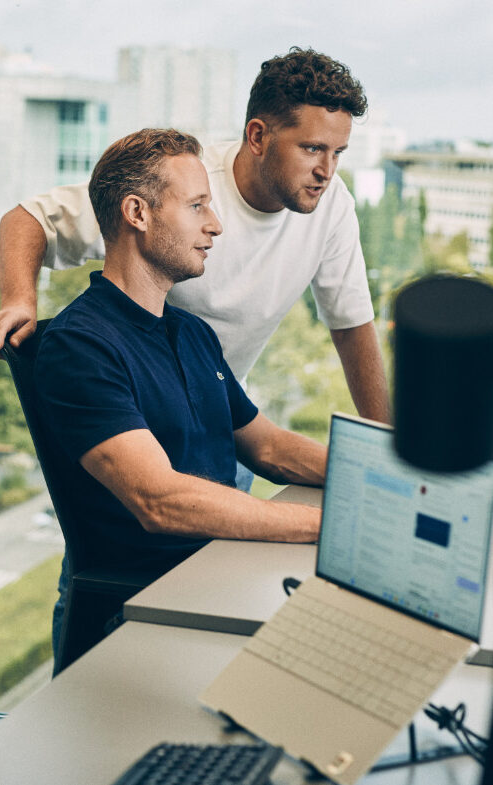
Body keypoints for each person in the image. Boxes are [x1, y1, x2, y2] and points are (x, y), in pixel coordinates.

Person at [34, 129, 327, 651]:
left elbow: (268, 447)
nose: (215, 225)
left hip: (221, 582)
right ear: (137, 214)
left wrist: (385, 477)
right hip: (145, 619)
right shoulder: (79, 347)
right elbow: (160, 500)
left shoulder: (191, 333)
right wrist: (322, 527)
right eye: (197, 206)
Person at [0, 47, 389, 426]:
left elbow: (351, 327)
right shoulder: (182, 187)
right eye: (312, 148)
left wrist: (387, 452)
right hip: (140, 411)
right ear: (258, 136)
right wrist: (20, 299)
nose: (326, 170)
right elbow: (28, 219)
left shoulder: (332, 205)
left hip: (226, 417)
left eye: (338, 153)